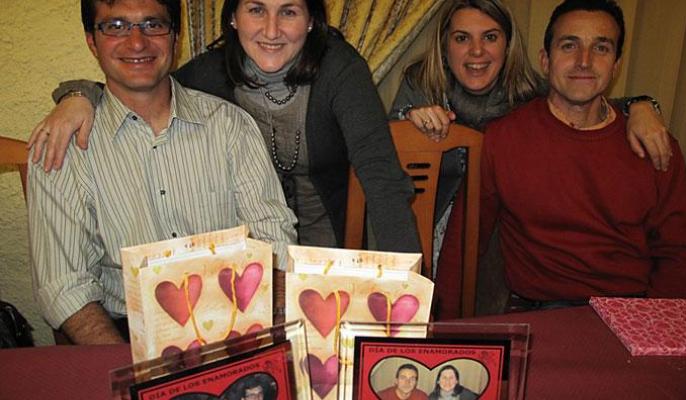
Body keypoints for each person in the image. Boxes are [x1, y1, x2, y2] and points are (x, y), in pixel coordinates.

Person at [28, 0, 421, 254]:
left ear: (311, 21)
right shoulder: (210, 73)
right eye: (256, 9)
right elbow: (141, 80)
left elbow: (383, 181)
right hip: (247, 266)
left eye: (288, 11)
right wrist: (77, 94)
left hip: (326, 252)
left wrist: (408, 293)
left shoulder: (341, 70)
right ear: (233, 17)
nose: (271, 30)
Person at [28, 0, 297, 345]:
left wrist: (267, 340)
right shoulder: (62, 144)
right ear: (91, 40)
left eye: (153, 24)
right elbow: (64, 286)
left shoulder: (230, 126)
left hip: (234, 325)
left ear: (175, 37)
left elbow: (273, 240)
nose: (137, 42)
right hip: (122, 335)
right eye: (116, 26)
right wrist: (129, 368)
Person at [389, 0, 672, 319]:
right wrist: (407, 117)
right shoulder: (422, 84)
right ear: (444, 45)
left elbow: (581, 93)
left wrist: (641, 105)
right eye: (462, 38)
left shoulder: (527, 93)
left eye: (490, 37)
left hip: (497, 244)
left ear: (508, 45)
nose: (477, 51)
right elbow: (380, 158)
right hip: (425, 222)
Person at [480, 0, 686, 311]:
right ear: (545, 60)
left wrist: (657, 324)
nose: (584, 61)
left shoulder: (655, 145)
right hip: (537, 312)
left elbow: (677, 253)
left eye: (601, 48)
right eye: (569, 45)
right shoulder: (503, 138)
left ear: (616, 66)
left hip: (629, 310)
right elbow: (467, 241)